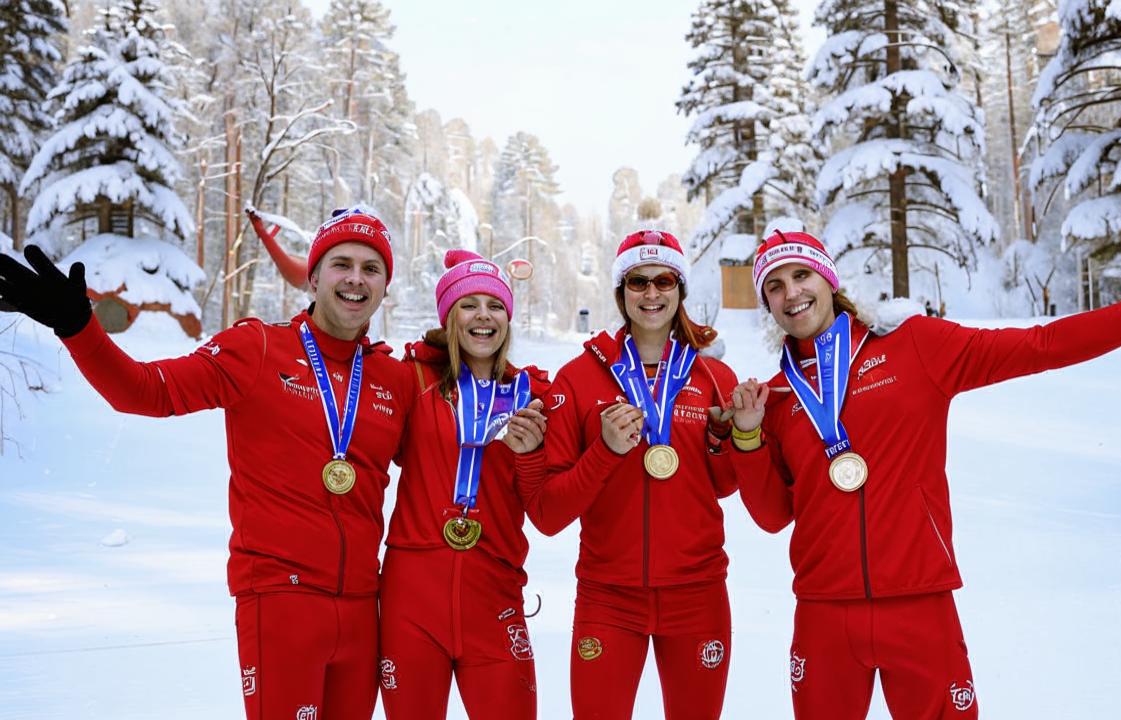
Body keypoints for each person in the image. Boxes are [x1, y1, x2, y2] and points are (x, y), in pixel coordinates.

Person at [727, 230, 1121, 720]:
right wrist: (747, 436)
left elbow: (1043, 346)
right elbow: (774, 517)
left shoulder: (916, 346)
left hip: (919, 605)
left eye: (800, 274)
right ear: (766, 303)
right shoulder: (777, 398)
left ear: (827, 278)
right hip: (823, 616)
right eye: (773, 285)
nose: (791, 292)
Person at [0, 208, 413, 720]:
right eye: (341, 263)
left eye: (371, 269)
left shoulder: (394, 380)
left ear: (385, 286)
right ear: (312, 274)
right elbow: (144, 391)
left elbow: (444, 458)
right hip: (280, 601)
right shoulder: (257, 347)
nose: (356, 279)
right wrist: (78, 327)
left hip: (362, 608)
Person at [531, 230, 739, 720]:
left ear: (680, 290)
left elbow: (726, 485)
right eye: (637, 282)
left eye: (664, 280)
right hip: (608, 597)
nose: (651, 293)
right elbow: (552, 512)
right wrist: (604, 451)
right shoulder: (579, 379)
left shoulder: (713, 377)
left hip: (698, 595)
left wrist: (726, 439)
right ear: (620, 293)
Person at [379, 249, 552, 719]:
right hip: (411, 601)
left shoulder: (531, 396)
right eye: (468, 304)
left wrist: (531, 455)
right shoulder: (411, 380)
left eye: (495, 305)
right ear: (449, 316)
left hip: (493, 597)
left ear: (509, 319)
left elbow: (544, 506)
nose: (483, 316)